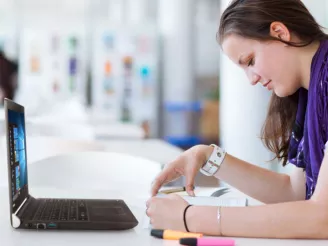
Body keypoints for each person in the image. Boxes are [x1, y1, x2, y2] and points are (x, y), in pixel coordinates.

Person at [146, 0, 328, 239]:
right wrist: (208, 157)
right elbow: (296, 192)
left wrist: (189, 217)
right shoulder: (309, 91)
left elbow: (321, 218)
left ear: (280, 32)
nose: (251, 79)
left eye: (250, 61)